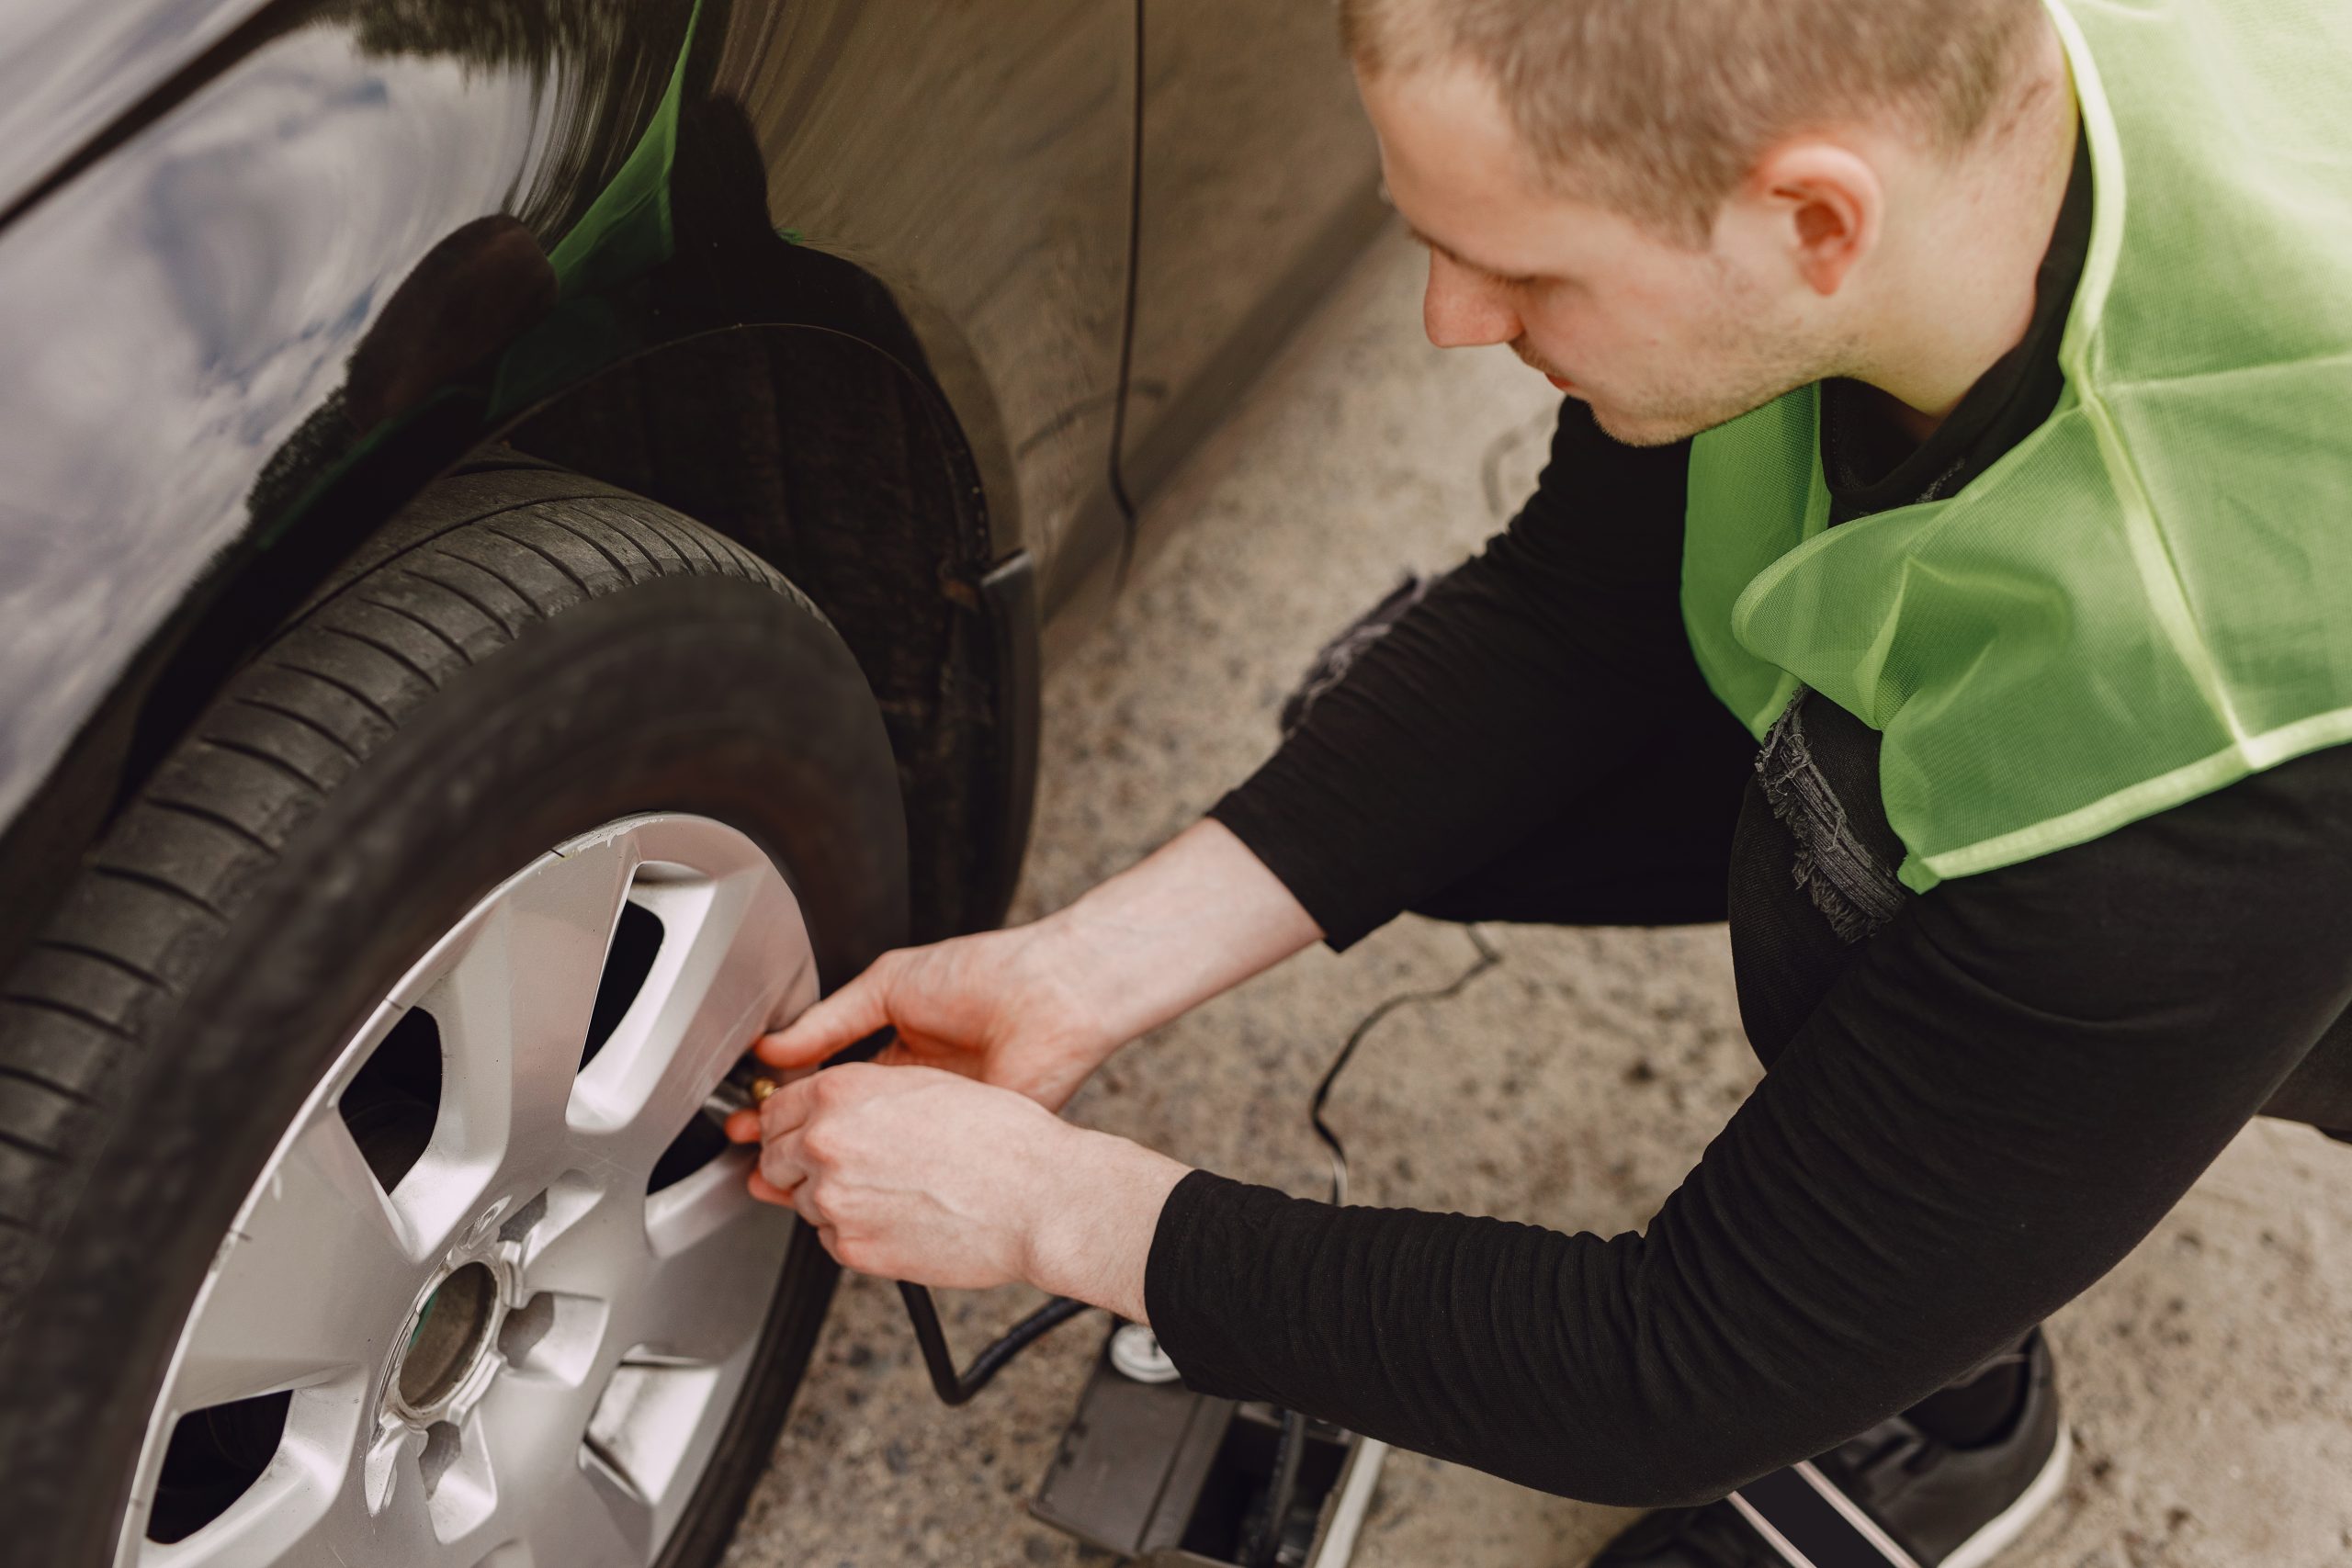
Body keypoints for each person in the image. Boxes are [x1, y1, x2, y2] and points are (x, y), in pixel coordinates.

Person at [724, 0, 2352, 1562]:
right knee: (1399, 735)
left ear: (1816, 223)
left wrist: (1062, 1214)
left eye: (1518, 270)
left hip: (2257, 833)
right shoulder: (1918, 130)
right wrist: (1081, 969)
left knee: (1828, 880)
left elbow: (1678, 1366)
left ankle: (1945, 1406)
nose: (1447, 321)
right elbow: (1583, 600)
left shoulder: (2198, 716)